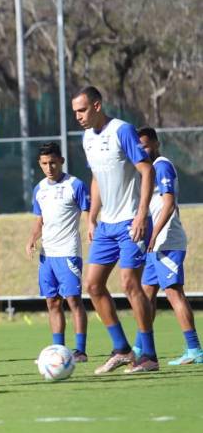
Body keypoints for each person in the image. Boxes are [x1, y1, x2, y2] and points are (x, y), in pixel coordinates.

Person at [72, 85, 157, 374]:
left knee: (130, 284)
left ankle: (149, 356)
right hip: (106, 224)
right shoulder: (87, 138)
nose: (78, 117)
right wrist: (92, 217)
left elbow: (147, 170)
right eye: (75, 112)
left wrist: (142, 215)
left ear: (97, 106)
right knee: (93, 286)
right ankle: (122, 348)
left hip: (131, 221)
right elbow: (96, 177)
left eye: (82, 110)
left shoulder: (122, 130)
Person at [134, 127, 200, 365]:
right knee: (146, 294)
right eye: (138, 147)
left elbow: (169, 204)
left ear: (156, 143)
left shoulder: (161, 165)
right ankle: (138, 347)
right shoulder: (147, 171)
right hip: (155, 243)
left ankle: (194, 350)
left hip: (167, 240)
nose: (142, 150)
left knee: (173, 292)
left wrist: (154, 235)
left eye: (145, 145)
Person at [24, 143, 90, 363]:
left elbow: (89, 212)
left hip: (68, 252)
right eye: (44, 163)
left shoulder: (75, 185)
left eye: (53, 162)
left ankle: (80, 350)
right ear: (39, 164)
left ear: (61, 160)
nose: (49, 167)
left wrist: (93, 229)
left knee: (73, 300)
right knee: (52, 302)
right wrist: (32, 239)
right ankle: (59, 350)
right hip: (47, 254)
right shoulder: (39, 189)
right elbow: (39, 219)